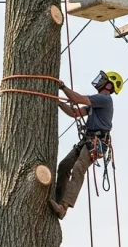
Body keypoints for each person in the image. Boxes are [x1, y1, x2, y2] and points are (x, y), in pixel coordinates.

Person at [49, 70, 123, 219]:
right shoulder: (96, 104)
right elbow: (74, 112)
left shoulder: (104, 99)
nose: (100, 80)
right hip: (87, 140)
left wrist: (62, 87)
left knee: (78, 168)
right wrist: (58, 102)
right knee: (64, 166)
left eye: (104, 79)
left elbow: (78, 98)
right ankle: (57, 200)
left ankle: (63, 207)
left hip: (97, 142)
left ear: (109, 85)